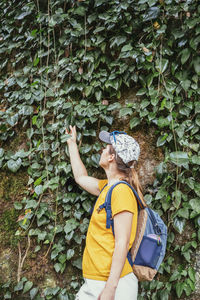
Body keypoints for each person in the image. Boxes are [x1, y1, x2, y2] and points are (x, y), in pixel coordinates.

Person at [65, 125, 144, 300]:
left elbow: (122, 243)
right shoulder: (108, 188)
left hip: (113, 285)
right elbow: (80, 178)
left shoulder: (121, 192)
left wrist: (110, 288)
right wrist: (72, 145)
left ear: (112, 157)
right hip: (97, 282)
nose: (102, 149)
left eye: (106, 147)